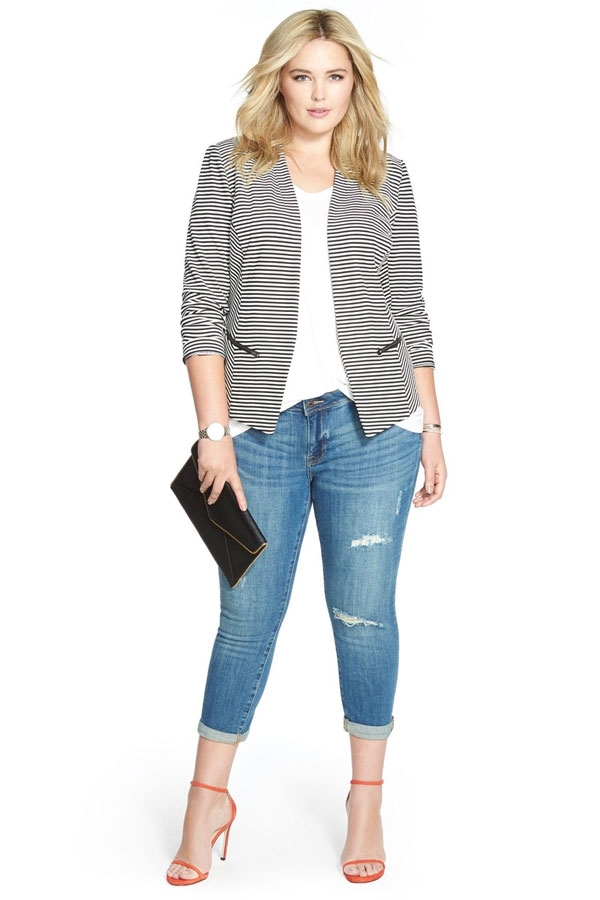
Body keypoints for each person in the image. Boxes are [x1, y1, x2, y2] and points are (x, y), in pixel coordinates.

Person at [167, 8, 447, 887]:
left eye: (335, 75)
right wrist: (213, 434)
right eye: (302, 75)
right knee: (246, 616)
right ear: (277, 81)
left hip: (375, 431)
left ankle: (365, 799)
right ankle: (207, 800)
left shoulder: (385, 177)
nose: (318, 93)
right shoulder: (229, 168)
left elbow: (410, 305)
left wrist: (434, 426)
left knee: (364, 616)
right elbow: (200, 306)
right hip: (257, 431)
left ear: (355, 83)